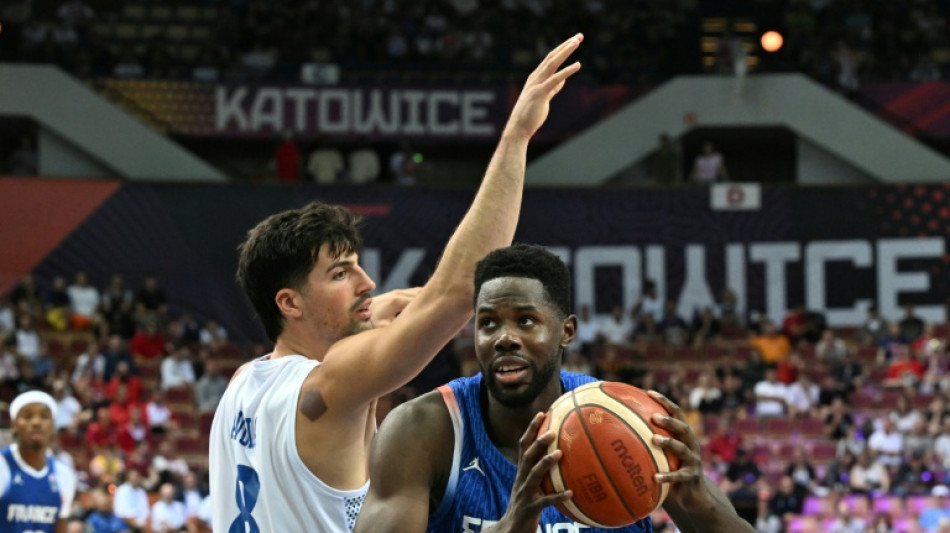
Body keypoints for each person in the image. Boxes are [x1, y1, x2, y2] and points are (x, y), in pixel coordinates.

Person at [209, 34, 587, 533]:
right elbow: (456, 293)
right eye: (341, 273)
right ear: (289, 302)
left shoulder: (243, 382)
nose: (366, 282)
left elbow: (368, 320)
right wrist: (516, 137)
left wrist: (376, 310)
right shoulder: (332, 384)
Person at [355, 245, 753, 532]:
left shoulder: (630, 421)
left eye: (526, 321)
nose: (504, 338)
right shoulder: (425, 430)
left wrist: (699, 505)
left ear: (567, 331)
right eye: (488, 323)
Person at [0, 390, 78, 533]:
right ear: (13, 424)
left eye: (44, 416)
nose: (36, 422)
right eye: (27, 416)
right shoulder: (2, 465)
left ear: (53, 425)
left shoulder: (64, 474)